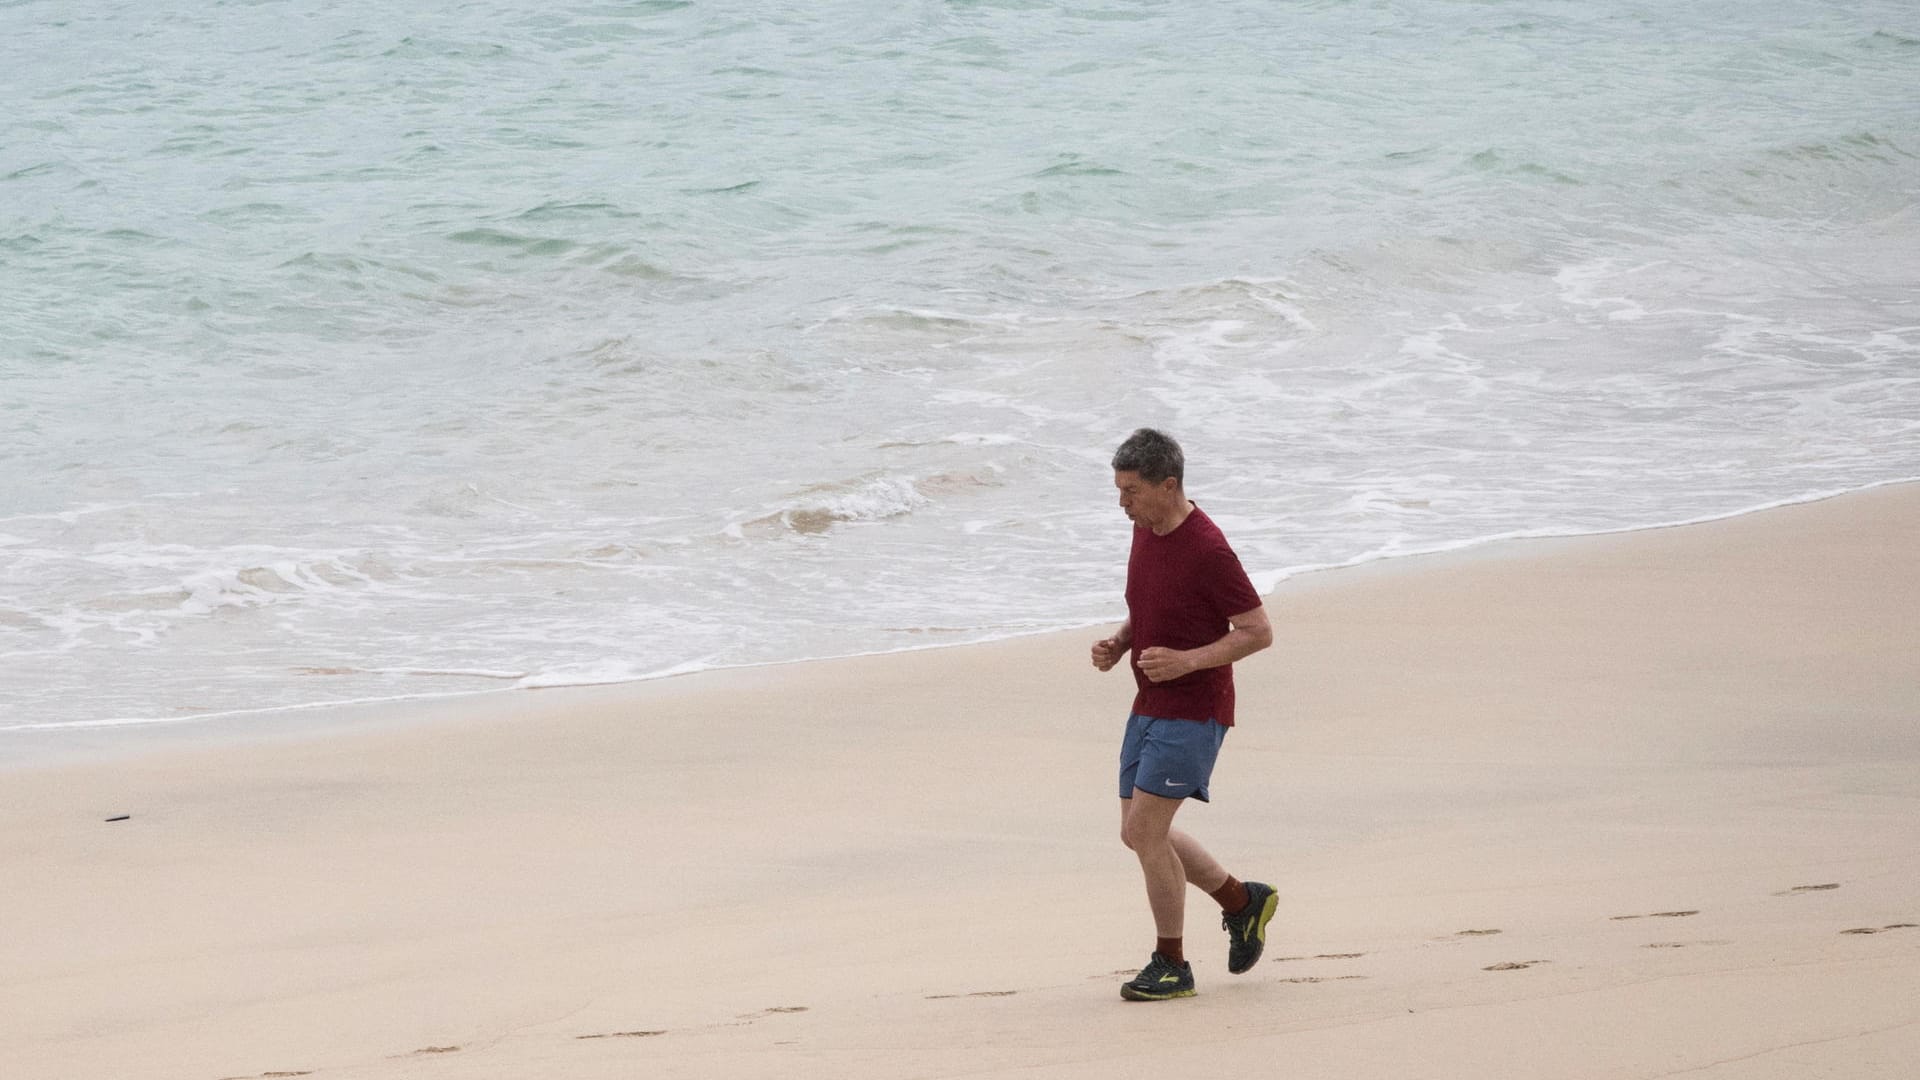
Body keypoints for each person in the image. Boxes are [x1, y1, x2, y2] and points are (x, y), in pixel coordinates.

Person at [1091, 428, 1277, 1001]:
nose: (1122, 503)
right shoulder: (1145, 530)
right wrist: (1123, 641)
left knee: (1146, 831)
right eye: (1118, 490)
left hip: (1196, 710)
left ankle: (1171, 963)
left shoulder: (1209, 549)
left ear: (1168, 485)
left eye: (1131, 491)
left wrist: (1187, 662)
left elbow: (1258, 631)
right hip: (1149, 702)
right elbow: (1151, 605)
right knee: (1138, 832)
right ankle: (1242, 902)